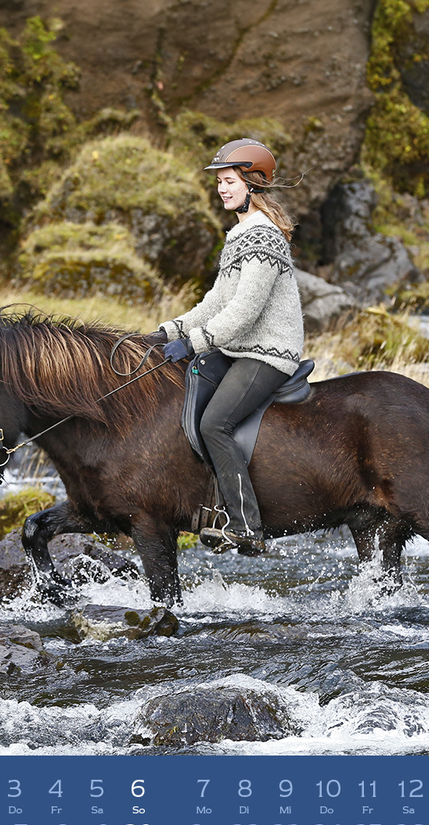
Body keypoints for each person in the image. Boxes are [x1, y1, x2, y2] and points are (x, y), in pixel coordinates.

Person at [149, 138, 304, 555]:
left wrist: (193, 342)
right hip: (238, 349)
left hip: (266, 352)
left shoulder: (263, 236)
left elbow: (245, 311)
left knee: (214, 424)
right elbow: (216, 302)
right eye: (219, 181)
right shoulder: (239, 233)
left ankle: (246, 526)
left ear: (252, 184)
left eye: (229, 180)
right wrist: (167, 332)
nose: (222, 188)